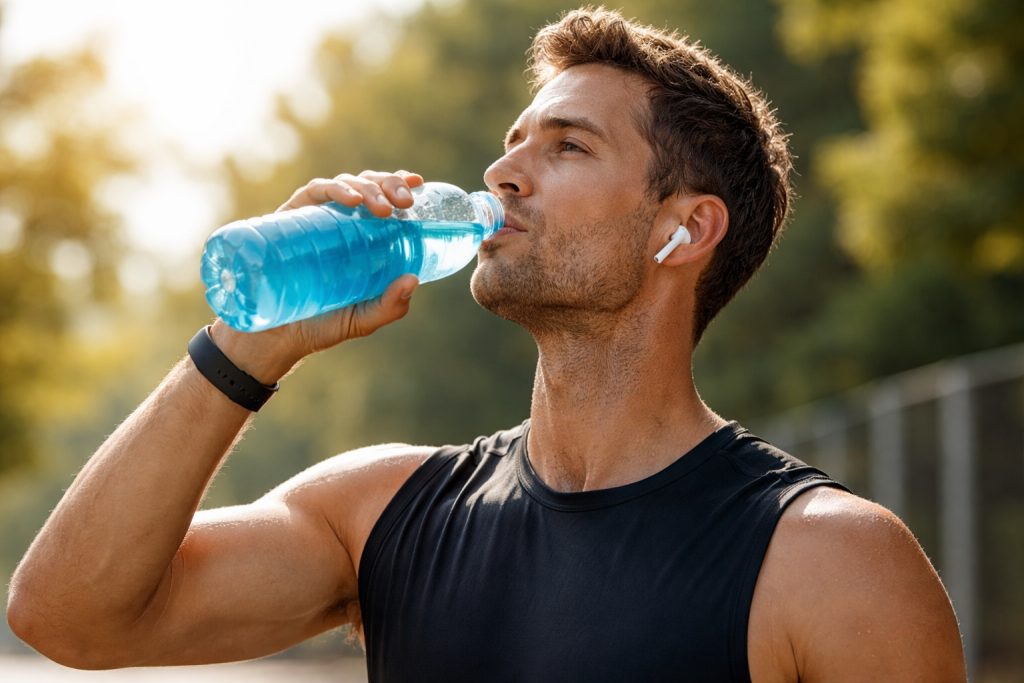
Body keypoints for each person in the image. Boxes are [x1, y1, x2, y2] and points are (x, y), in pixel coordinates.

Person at [8, 8, 965, 682]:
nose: (503, 171)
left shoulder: (832, 562)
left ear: (686, 230)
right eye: (513, 141)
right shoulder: (379, 511)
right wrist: (246, 348)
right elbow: (69, 617)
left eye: (567, 146)